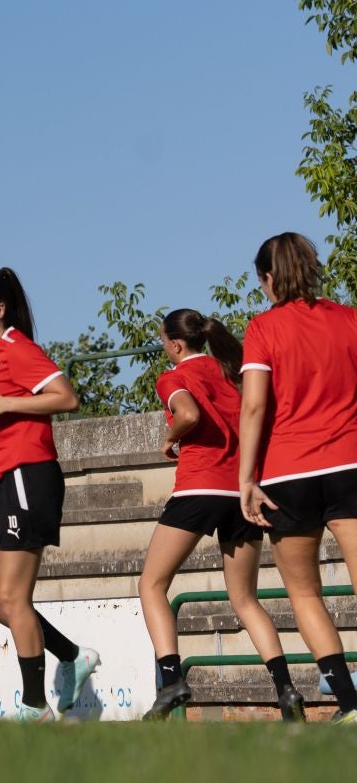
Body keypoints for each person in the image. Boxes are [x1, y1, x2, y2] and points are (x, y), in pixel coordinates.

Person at [0, 267, 97, 721]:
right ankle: (72, 655)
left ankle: (36, 708)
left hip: (27, 477)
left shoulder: (19, 348)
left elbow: (66, 397)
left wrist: (4, 403)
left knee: (15, 597)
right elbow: (1, 403)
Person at [138, 308, 290, 720]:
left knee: (151, 584)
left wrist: (170, 440)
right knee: (245, 599)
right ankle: (286, 689)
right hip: (243, 490)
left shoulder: (173, 377)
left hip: (200, 487)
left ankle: (172, 680)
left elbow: (188, 414)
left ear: (174, 344)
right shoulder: (233, 373)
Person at [238, 232, 357, 723]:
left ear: (268, 278)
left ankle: (350, 706)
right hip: (351, 464)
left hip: (289, 473)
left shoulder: (262, 328)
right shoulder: (350, 319)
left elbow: (254, 404)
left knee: (305, 593)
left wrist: (246, 478)